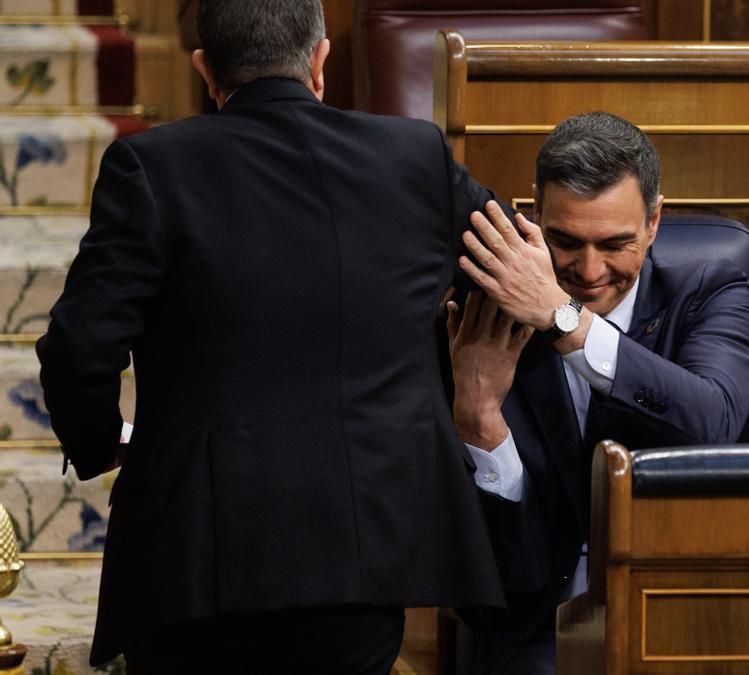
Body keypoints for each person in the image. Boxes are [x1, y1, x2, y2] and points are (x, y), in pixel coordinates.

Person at [35, 0, 505, 671]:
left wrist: (100, 440)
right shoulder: (415, 157)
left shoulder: (151, 166)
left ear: (205, 70)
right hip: (369, 543)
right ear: (320, 61)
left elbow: (79, 346)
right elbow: (514, 266)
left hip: (200, 559)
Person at [445, 111, 749, 673]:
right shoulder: (484, 311)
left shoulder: (710, 293)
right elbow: (496, 580)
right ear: (536, 216)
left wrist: (565, 320)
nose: (589, 271)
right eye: (565, 241)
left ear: (654, 223)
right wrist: (479, 422)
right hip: (537, 623)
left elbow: (712, 422)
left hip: (681, 615)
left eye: (615, 244)